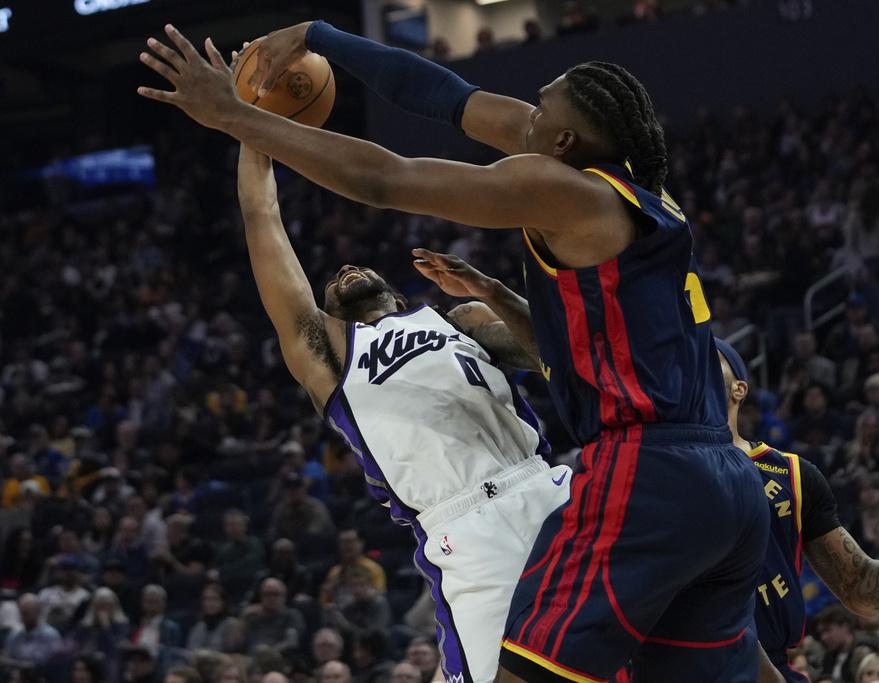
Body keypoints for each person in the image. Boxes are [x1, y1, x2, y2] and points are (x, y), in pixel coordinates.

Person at [139, 24, 769, 680]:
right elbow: (445, 95)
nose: (527, 112)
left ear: (565, 142)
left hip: (619, 476)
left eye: (542, 107)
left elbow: (384, 178)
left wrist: (234, 114)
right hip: (685, 482)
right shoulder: (632, 189)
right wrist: (316, 35)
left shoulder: (531, 232)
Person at [168, 131, 568, 683]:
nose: (343, 269)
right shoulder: (329, 356)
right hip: (463, 526)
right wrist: (252, 123)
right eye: (330, 282)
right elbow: (262, 215)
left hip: (544, 487)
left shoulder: (456, 320)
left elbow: (559, 350)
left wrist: (493, 292)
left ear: (398, 297)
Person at [712, 338, 879, 682]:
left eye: (707, 357)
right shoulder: (658, 470)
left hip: (768, 665)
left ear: (739, 388)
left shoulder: (792, 474)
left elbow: (859, 589)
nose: (694, 364)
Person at [1, 594, 61, 669]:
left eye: (26, 614)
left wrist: (14, 663)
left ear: (38, 612)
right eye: (21, 613)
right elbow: (6, 657)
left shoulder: (50, 635)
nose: (23, 618)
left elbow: (41, 664)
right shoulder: (16, 633)